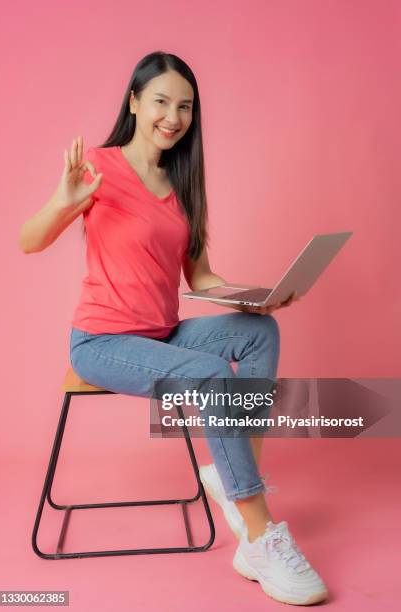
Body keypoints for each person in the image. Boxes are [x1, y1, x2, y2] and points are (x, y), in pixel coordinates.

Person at [19, 51, 328, 605]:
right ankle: (260, 535)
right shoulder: (97, 166)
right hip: (103, 342)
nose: (173, 116)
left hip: (163, 333)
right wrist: (63, 203)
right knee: (211, 375)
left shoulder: (182, 179)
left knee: (259, 335)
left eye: (184, 106)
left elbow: (201, 276)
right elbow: (29, 241)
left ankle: (234, 477)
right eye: (161, 101)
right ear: (135, 102)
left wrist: (255, 299)